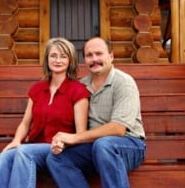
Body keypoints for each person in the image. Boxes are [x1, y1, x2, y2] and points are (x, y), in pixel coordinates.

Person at [0, 37, 90, 188]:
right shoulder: (37, 89)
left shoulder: (78, 90)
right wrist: (16, 140)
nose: (58, 60)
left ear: (70, 61)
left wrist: (63, 143)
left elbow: (81, 133)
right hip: (34, 148)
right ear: (47, 59)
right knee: (5, 156)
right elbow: (25, 123)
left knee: (23, 151)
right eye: (53, 56)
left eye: (63, 56)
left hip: (60, 150)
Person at [47, 37, 146, 188]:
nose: (94, 59)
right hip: (94, 146)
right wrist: (62, 141)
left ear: (111, 56)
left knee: (104, 145)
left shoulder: (124, 82)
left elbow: (118, 129)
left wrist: (75, 138)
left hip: (130, 145)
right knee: (56, 158)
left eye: (99, 54)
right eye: (89, 55)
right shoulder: (81, 85)